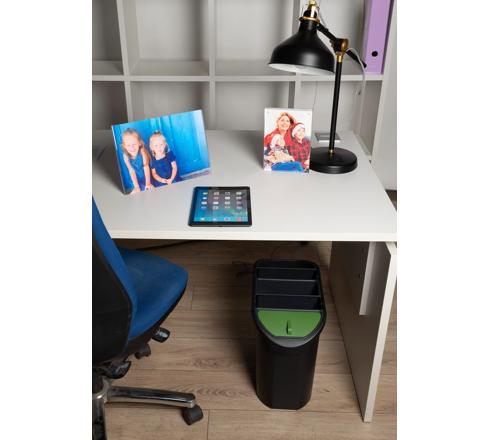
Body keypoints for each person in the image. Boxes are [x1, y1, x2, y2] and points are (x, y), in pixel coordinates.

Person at [121, 128, 154, 194]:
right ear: (124, 146)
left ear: (139, 143)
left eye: (134, 144)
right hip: (135, 181)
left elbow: (146, 166)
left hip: (147, 178)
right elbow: (131, 171)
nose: (132, 147)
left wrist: (148, 183)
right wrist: (136, 186)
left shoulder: (142, 152)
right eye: (128, 145)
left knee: (149, 190)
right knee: (135, 193)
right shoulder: (125, 156)